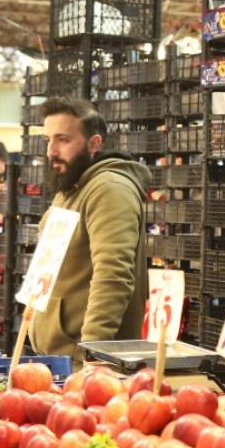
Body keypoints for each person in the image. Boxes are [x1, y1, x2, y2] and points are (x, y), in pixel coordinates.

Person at [29, 98, 151, 362]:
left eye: (62, 139)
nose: (51, 150)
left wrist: (93, 354)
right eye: (47, 140)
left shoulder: (109, 190)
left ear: (93, 143)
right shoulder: (70, 187)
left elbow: (113, 274)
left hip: (83, 365)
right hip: (54, 359)